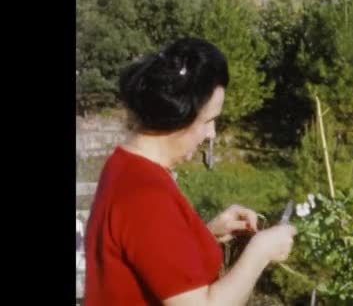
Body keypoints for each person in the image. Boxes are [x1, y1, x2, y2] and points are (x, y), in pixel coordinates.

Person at [84, 37, 297, 306]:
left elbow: (149, 255)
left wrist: (203, 236)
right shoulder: (145, 195)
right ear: (179, 117)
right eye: (208, 121)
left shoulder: (125, 165)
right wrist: (260, 252)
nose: (212, 134)